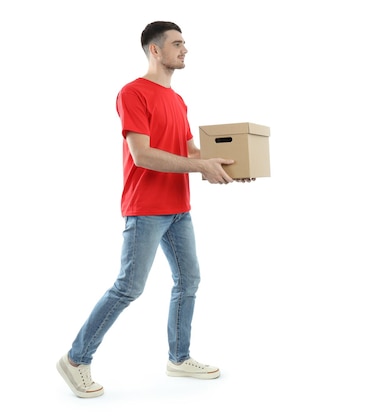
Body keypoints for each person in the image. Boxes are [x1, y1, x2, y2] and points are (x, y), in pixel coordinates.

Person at [57, 21, 252, 398]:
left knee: (189, 280)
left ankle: (178, 358)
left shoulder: (177, 100)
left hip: (179, 208)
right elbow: (142, 154)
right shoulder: (133, 93)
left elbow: (191, 153)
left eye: (185, 43)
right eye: (177, 43)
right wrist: (200, 166)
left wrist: (231, 167)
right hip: (146, 208)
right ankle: (76, 359)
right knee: (128, 287)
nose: (185, 49)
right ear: (155, 50)